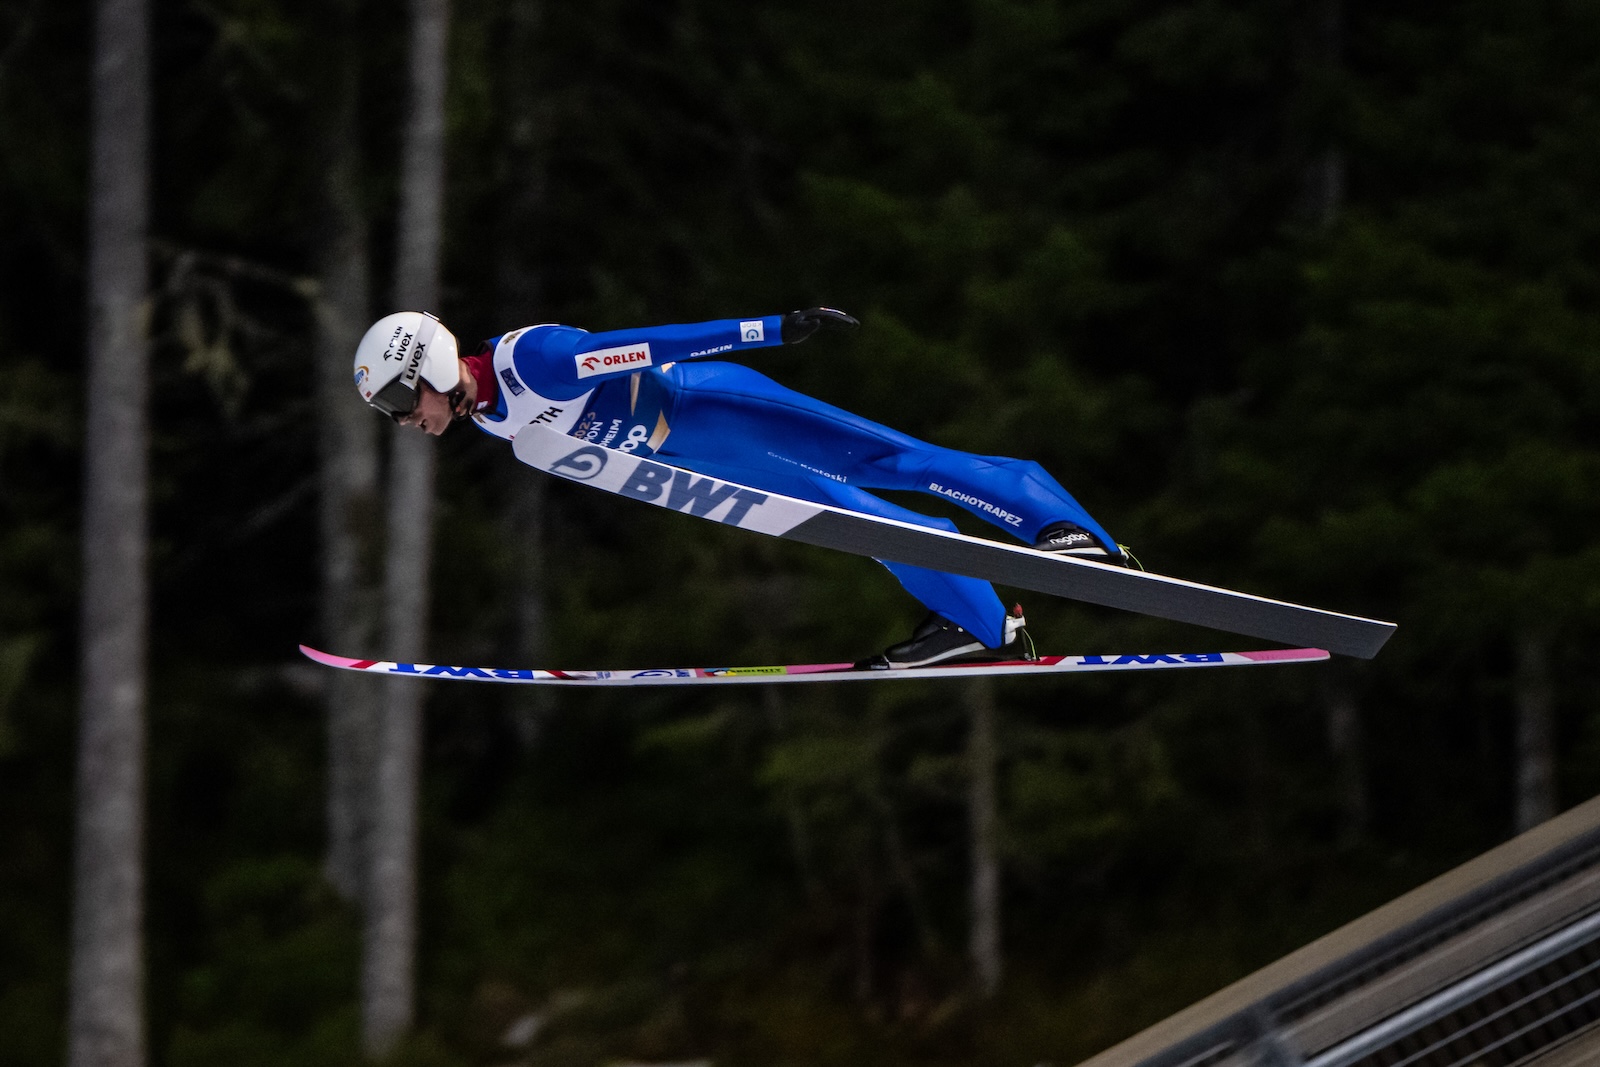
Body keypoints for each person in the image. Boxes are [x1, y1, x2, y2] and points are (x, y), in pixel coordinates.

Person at [352, 308, 1130, 668]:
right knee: (856, 521)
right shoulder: (492, 418)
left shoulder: (536, 362)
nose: (403, 421)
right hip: (710, 459)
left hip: (713, 402)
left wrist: (771, 329)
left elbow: (651, 345)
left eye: (397, 401)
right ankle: (982, 622)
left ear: (436, 367)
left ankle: (1065, 530)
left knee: (891, 462)